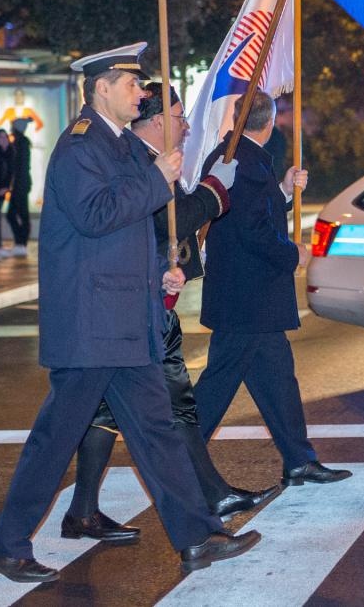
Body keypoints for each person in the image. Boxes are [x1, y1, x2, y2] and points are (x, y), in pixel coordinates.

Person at [0, 44, 258, 584]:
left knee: (157, 431)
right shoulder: (80, 147)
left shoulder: (123, 146)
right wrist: (156, 178)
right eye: (132, 84)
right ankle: (5, 546)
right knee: (56, 439)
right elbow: (95, 215)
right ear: (101, 87)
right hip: (91, 325)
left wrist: (161, 271)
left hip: (125, 320)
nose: (141, 93)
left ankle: (197, 537)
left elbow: (130, 231)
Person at [62, 82, 279, 542]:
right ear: (159, 121)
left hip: (144, 301)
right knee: (167, 410)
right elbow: (169, 218)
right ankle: (202, 513)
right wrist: (216, 189)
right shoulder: (140, 161)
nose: (186, 127)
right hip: (135, 311)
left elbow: (159, 228)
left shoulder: (148, 159)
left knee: (105, 411)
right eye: (180, 118)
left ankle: (83, 511)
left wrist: (167, 266)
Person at [193, 89, 350, 488]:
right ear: (270, 121)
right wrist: (292, 254)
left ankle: (299, 460)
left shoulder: (236, 157)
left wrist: (282, 189)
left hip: (249, 299)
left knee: (278, 381)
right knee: (216, 387)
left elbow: (249, 211)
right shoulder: (242, 160)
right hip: (247, 300)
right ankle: (178, 458)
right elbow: (253, 229)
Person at [4, 118, 33, 250]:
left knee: (16, 214)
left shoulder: (20, 143)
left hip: (20, 184)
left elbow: (19, 166)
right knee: (18, 213)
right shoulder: (21, 142)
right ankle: (20, 242)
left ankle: (21, 242)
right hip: (21, 183)